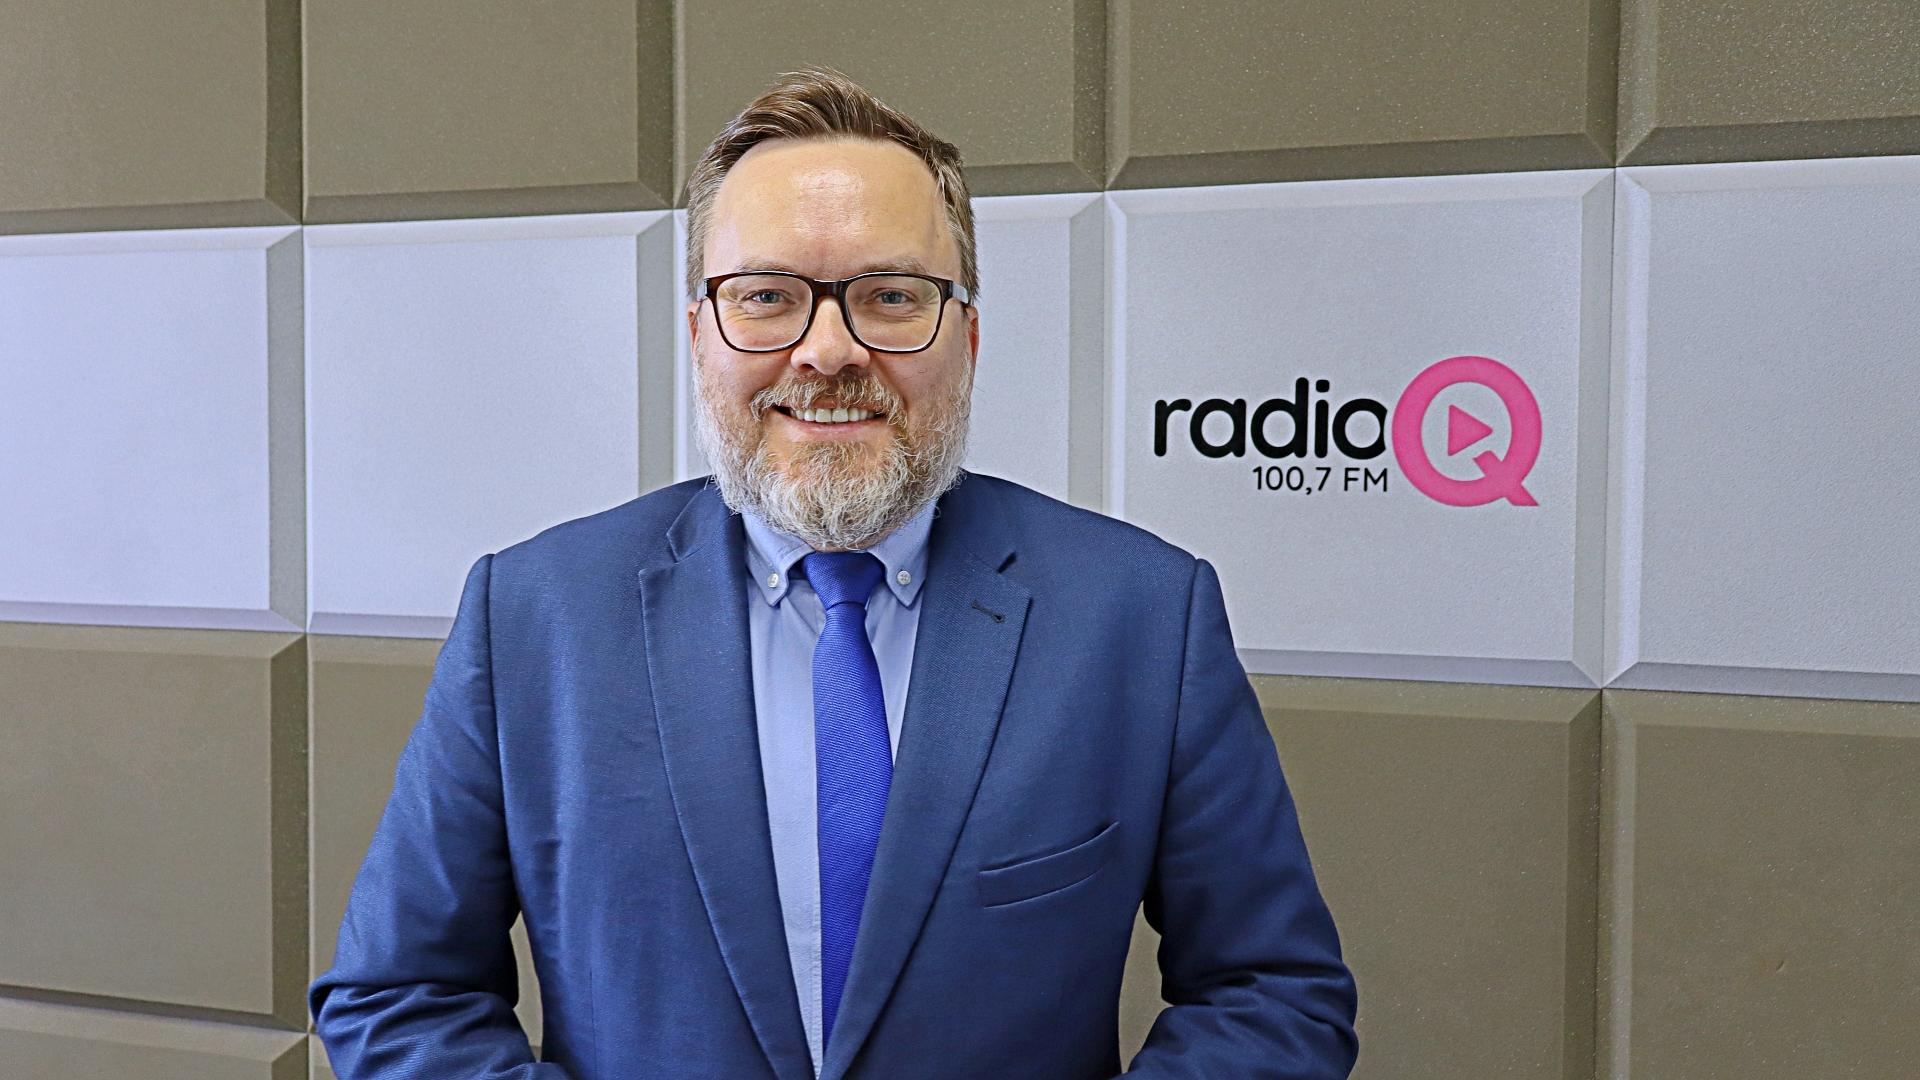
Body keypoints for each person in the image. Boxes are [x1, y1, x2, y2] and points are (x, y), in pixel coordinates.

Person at [311, 68, 1357, 1080]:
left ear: (968, 337)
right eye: (766, 296)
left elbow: (1273, 995)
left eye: (890, 296)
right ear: (700, 337)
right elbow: (397, 996)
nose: (827, 351)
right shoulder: (534, 614)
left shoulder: (1142, 616)